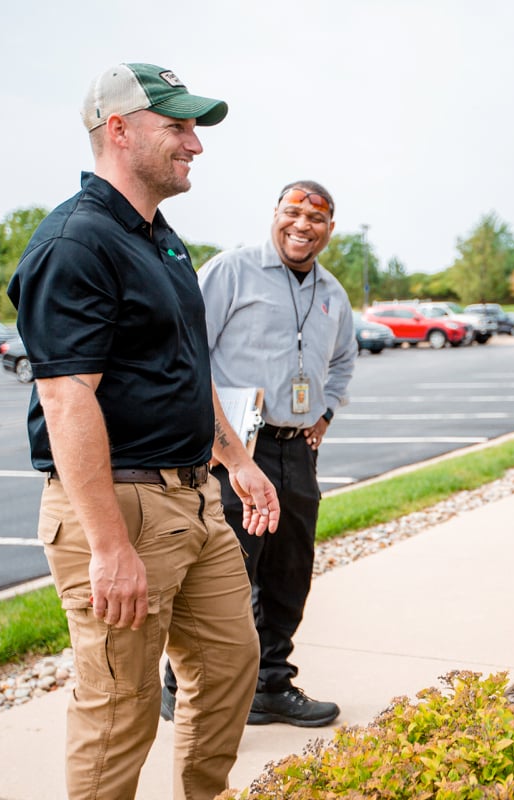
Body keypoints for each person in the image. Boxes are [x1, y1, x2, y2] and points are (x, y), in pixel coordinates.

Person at [6, 63, 280, 800]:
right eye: (178, 126)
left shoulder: (160, 239)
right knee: (120, 707)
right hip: (121, 506)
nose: (195, 144)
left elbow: (185, 366)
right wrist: (107, 546)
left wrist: (236, 461)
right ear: (118, 129)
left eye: (194, 128)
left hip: (192, 500)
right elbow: (68, 402)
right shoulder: (76, 242)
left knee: (229, 667)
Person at [162, 180, 357, 727]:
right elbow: (187, 348)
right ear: (274, 215)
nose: (302, 225)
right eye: (292, 212)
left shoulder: (332, 293)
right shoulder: (231, 270)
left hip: (296, 450)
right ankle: (184, 686)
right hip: (234, 448)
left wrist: (324, 414)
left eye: (315, 218)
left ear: (329, 229)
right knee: (223, 569)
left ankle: (270, 684)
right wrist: (216, 440)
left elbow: (343, 362)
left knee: (289, 571)